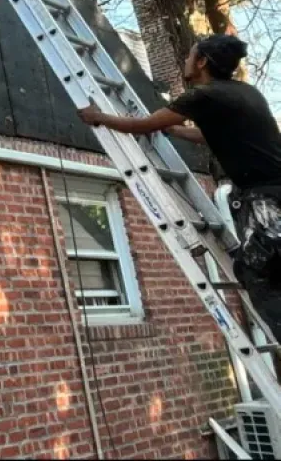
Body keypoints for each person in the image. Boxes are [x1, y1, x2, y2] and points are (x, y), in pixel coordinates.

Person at [79, 34, 281, 336]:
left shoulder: (204, 95)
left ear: (201, 62)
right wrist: (173, 129)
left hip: (265, 200)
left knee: (255, 271)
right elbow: (210, 135)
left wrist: (98, 117)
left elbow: (140, 125)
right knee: (268, 267)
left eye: (190, 55)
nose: (186, 61)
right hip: (268, 193)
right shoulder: (245, 93)